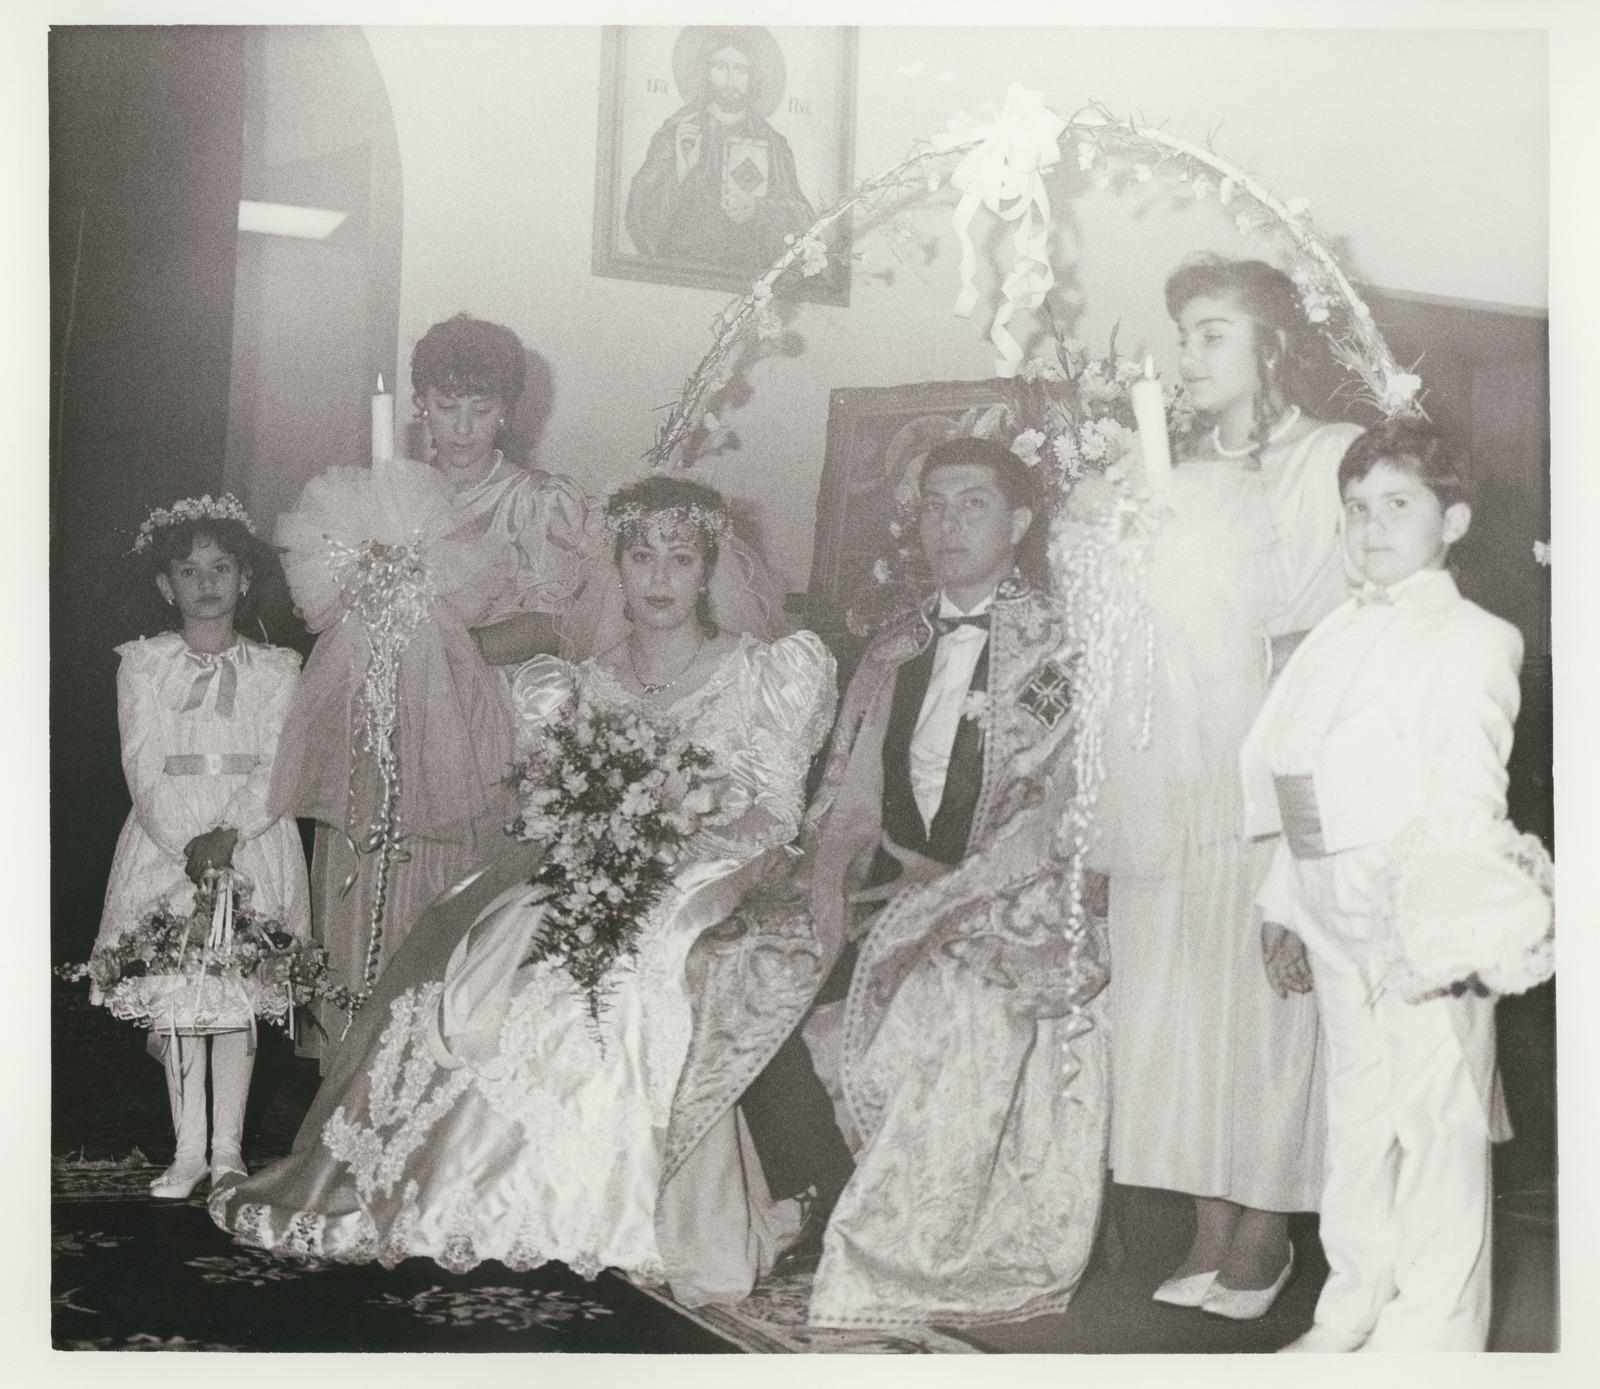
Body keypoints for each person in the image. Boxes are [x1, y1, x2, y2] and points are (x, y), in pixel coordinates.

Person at [212, 477, 838, 1305]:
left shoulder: (766, 671)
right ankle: (478, 1191)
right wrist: (595, 836)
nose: (658, 576)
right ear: (616, 567)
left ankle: (633, 1208)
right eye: (641, 555)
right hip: (590, 859)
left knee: (644, 957)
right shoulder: (572, 683)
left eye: (681, 558)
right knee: (483, 948)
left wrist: (676, 835)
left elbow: (777, 809)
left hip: (722, 861)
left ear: (709, 570)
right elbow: (544, 804)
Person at [723, 436, 1109, 1328]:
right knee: (743, 962)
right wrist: (823, 880)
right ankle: (823, 1185)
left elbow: (1059, 810)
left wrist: (952, 889)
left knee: (949, 997)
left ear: (1020, 521)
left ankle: (899, 1222)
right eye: (934, 505)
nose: (948, 525)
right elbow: (845, 798)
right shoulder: (894, 647)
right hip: (887, 888)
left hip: (1002, 900)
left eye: (974, 505)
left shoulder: (1062, 648)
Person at [1097, 255, 1362, 1318]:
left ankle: (1267, 1224)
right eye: (1183, 336)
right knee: (1181, 998)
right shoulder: (1161, 469)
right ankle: (1210, 1220)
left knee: (1267, 997)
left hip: (1273, 748)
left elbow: (1332, 631)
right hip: (1176, 759)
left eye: (1213, 334)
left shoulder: (1331, 456)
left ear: (1273, 345)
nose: (1188, 357)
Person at [1242, 420, 1524, 1351]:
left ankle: (1434, 1333)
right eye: (1356, 508)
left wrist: (1443, 924)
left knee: (1438, 1122)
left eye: (1398, 504)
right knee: (1357, 1117)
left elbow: (1468, 795)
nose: (1370, 526)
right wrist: (1282, 900)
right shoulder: (1333, 630)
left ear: (1455, 519)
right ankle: (1349, 1307)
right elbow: (1300, 772)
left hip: (1418, 906)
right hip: (1328, 903)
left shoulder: (1474, 638)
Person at [271, 314, 597, 1058]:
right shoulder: (379, 492)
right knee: (368, 886)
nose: (464, 427)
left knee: (446, 909)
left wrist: (446, 655)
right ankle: (350, 1082)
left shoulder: (536, 500)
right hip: (382, 725)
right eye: (448, 407)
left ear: (508, 411)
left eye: (482, 408)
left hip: (481, 731)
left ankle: (430, 1080)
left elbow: (556, 624)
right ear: (420, 405)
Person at [95, 496, 310, 1199]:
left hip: (250, 840)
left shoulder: (278, 668)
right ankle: (188, 1150)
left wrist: (231, 833)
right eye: (189, 571)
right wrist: (187, 841)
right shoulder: (144, 663)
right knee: (182, 993)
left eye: (221, 567)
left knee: (235, 994)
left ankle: (228, 1151)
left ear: (245, 578)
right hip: (171, 843)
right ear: (167, 586)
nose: (207, 582)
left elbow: (279, 760)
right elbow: (140, 759)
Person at [625, 26, 816, 273]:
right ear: (705, 72)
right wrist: (681, 173)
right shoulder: (680, 132)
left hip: (746, 273)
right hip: (684, 269)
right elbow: (639, 212)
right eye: (720, 67)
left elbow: (804, 218)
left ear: (754, 77)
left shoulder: (772, 143)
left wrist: (758, 209)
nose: (730, 80)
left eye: (741, 70)